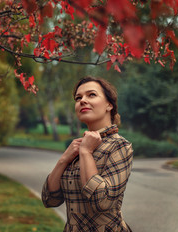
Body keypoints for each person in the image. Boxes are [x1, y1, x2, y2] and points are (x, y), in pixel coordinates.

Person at [42, 76, 133, 232]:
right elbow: (50, 199)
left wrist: (86, 152)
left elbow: (102, 201)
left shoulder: (120, 146)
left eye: (91, 95)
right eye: (78, 98)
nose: (82, 100)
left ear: (109, 105)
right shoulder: (77, 147)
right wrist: (64, 159)